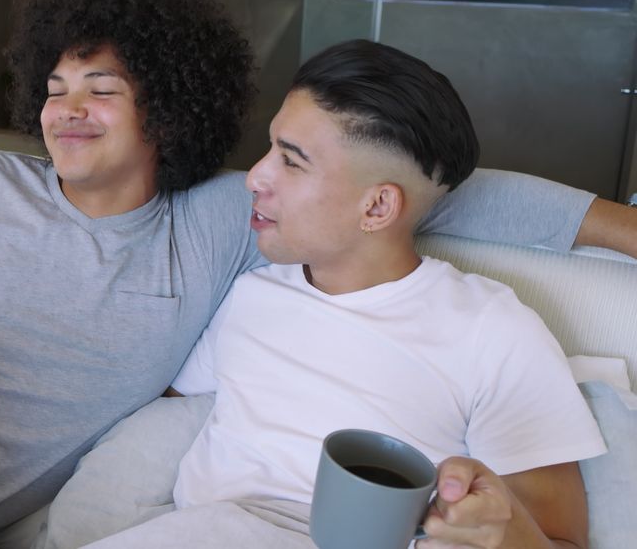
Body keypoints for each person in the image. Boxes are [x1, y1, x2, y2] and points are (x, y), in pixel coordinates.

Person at [0, 0, 632, 548]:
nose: (65, 107)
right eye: (54, 86)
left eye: (100, 89)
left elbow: (437, 191)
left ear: (165, 107)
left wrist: (621, 227)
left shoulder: (221, 225)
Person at [73, 40, 606, 549]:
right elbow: (167, 409)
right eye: (269, 147)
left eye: (292, 160)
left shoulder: (493, 330)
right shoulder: (250, 295)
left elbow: (560, 538)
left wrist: (501, 532)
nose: (255, 176)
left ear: (376, 208)